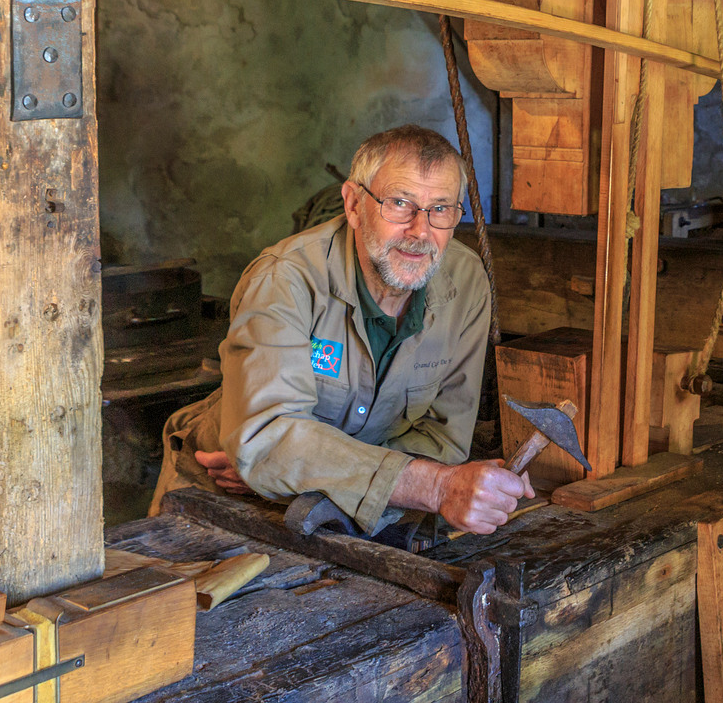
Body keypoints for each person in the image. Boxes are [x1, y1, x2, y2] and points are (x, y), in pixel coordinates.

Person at [151, 125, 530, 536]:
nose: (421, 231)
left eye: (440, 209)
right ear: (352, 204)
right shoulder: (285, 278)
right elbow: (266, 438)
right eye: (400, 203)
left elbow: (443, 440)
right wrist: (433, 486)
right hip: (214, 496)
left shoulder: (466, 281)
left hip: (337, 513)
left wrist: (298, 477)